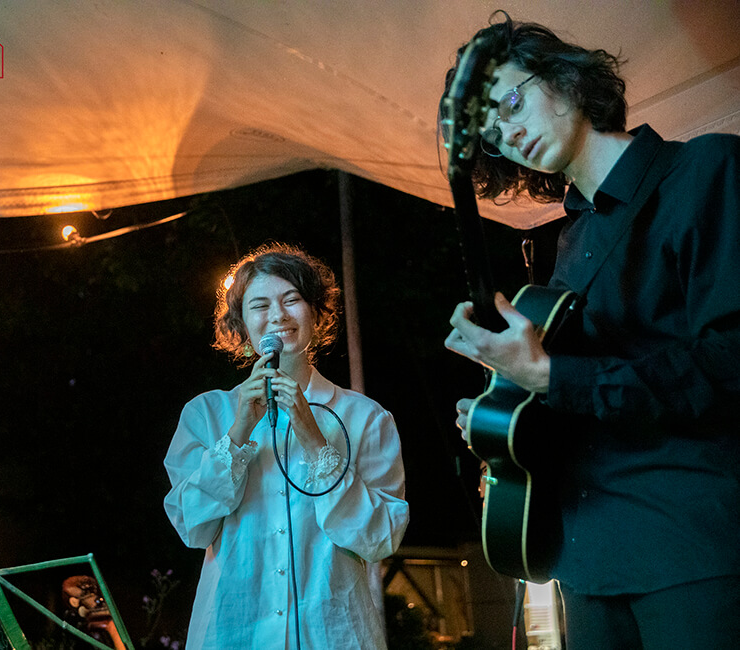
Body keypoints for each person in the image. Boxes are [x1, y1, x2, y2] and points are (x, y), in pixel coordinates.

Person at [441, 12, 740, 649]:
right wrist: (507, 415)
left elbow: (729, 362)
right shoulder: (566, 242)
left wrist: (549, 374)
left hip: (691, 548)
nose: (508, 130)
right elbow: (588, 403)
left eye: (512, 100)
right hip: (586, 558)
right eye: (491, 132)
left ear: (567, 78)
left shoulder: (706, 172)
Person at [163, 243, 409, 650]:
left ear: (316, 313)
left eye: (292, 299)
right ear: (241, 325)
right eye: (259, 305)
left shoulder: (367, 417)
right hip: (233, 633)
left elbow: (380, 539)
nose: (277, 315)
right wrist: (239, 430)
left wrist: (316, 441)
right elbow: (192, 526)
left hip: (333, 635)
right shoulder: (205, 413)